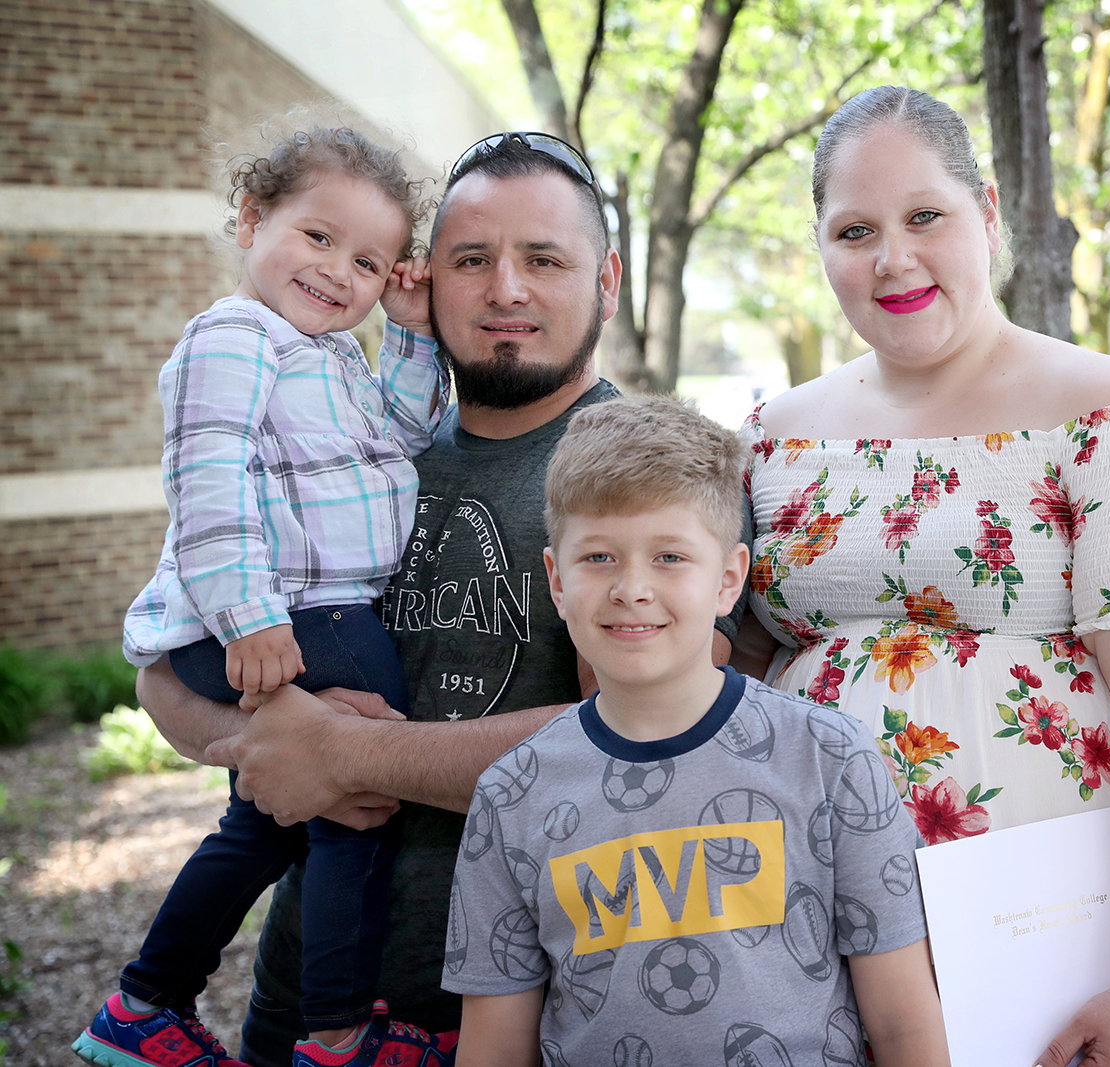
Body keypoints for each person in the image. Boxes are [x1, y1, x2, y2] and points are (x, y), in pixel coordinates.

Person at [132, 131, 738, 1067]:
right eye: (470, 260)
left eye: (543, 259)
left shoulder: (647, 471)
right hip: (300, 1000)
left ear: (607, 281)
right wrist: (261, 743)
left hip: (529, 1014)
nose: (505, 289)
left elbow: (652, 742)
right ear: (421, 280)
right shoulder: (347, 445)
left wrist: (346, 752)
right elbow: (166, 671)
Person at [733, 86, 1110, 1067]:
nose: (893, 258)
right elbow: (739, 660)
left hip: (1064, 938)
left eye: (925, 215)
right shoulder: (771, 435)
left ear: (990, 214)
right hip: (826, 933)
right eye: (854, 229)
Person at [79, 125, 455, 1067]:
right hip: (286, 611)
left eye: (368, 261)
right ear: (251, 218)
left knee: (264, 816)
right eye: (318, 238)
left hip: (309, 608)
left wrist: (407, 332)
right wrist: (250, 614)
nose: (339, 273)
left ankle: (147, 1002)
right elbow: (207, 477)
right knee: (355, 804)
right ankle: (334, 1029)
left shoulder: (326, 354)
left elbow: (405, 433)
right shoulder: (236, 335)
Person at [445, 396, 947, 1067]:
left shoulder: (831, 760)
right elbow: (496, 1049)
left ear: (729, 579)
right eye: (598, 556)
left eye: (670, 557)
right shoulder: (511, 794)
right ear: (556, 581)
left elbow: (907, 1026)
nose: (632, 588)